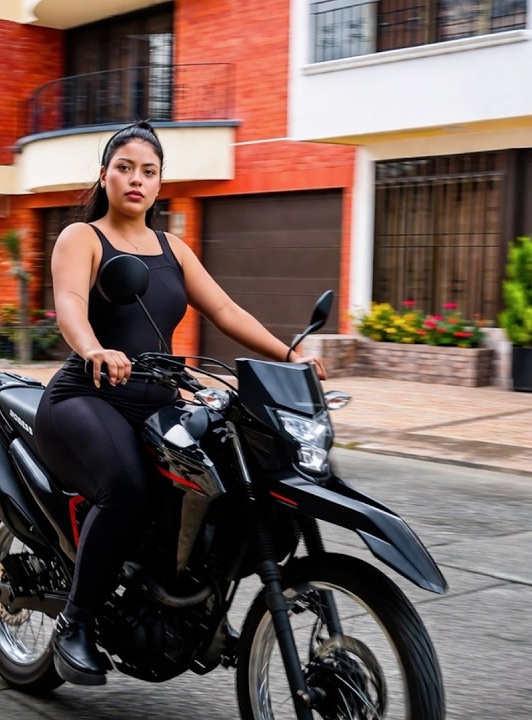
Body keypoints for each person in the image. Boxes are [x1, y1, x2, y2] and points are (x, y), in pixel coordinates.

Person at [32, 120, 327, 686]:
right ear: (105, 176)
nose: (136, 179)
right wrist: (96, 348)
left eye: (148, 171)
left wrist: (288, 354)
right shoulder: (82, 238)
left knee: (224, 478)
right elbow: (70, 304)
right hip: (87, 397)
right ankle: (76, 622)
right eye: (125, 168)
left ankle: (191, 603)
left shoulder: (174, 249)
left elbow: (226, 312)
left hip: (156, 401)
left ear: (160, 185)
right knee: (127, 490)